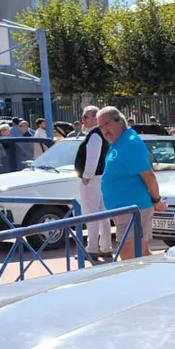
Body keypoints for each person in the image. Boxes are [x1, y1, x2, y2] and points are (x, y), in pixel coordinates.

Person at [97, 107, 166, 259]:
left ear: (119, 121)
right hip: (127, 210)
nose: (104, 130)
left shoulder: (129, 143)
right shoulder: (119, 142)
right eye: (101, 127)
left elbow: (149, 177)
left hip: (132, 211)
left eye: (106, 124)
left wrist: (157, 200)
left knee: (129, 260)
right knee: (142, 255)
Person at [75, 105, 111, 259]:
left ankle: (92, 249)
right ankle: (105, 247)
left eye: (85, 116)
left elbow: (92, 158)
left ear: (94, 118)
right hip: (100, 177)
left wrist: (87, 176)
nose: (83, 119)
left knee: (91, 213)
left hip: (93, 178)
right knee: (103, 214)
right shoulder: (98, 133)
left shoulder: (95, 134)